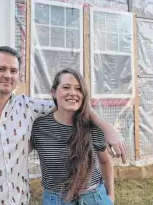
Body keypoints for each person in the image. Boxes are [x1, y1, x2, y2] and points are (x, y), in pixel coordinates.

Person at [0, 46, 124, 205]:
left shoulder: (28, 107)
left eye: (13, 71)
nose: (7, 75)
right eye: (1, 69)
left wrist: (108, 129)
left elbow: (71, 105)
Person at [31, 68, 114, 205]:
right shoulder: (39, 126)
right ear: (53, 92)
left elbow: (105, 161)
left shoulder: (92, 125)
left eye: (78, 89)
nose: (73, 93)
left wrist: (110, 196)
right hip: (56, 200)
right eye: (66, 87)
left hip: (95, 198)